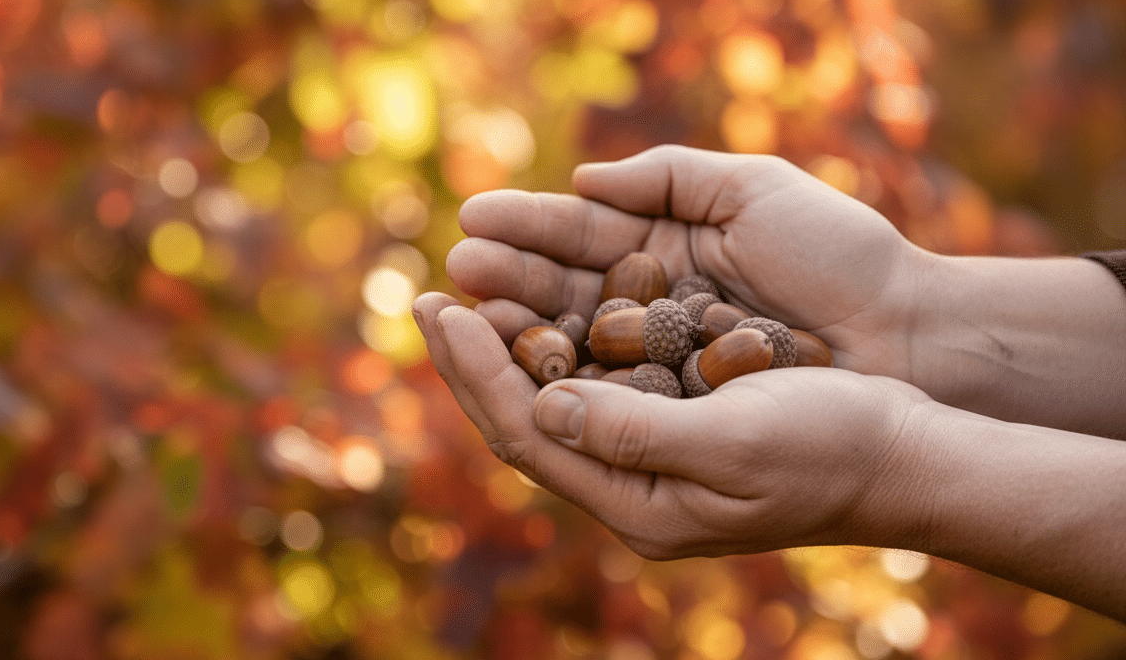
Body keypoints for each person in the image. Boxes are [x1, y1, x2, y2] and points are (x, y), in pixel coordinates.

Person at [411, 145, 1126, 622]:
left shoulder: (692, 330)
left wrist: (890, 466)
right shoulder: (631, 328)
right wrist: (912, 306)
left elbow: (745, 348)